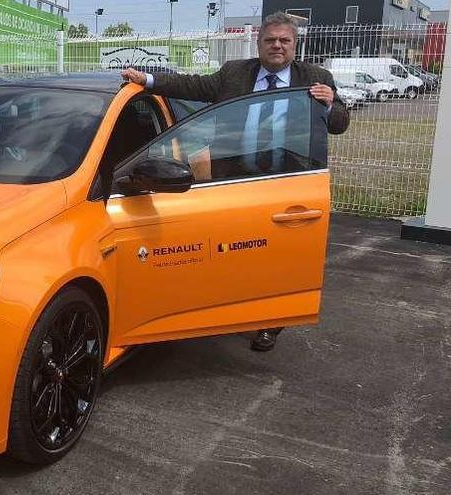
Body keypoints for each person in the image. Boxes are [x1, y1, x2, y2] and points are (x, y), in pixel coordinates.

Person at [121, 12, 350, 352]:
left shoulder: (315, 78)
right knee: (232, 251)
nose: (277, 46)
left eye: (284, 41)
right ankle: (227, 310)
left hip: (285, 182)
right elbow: (192, 86)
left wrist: (330, 104)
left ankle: (271, 321)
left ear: (294, 45)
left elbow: (340, 123)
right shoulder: (234, 74)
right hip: (234, 183)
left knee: (278, 257)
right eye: (270, 40)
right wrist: (148, 80)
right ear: (259, 43)